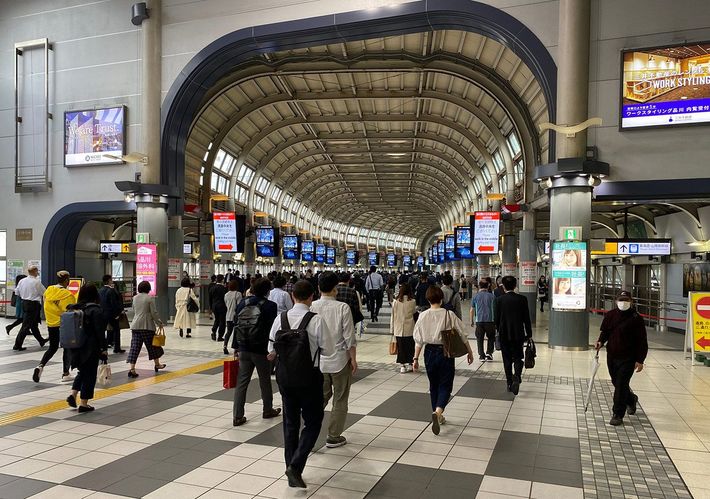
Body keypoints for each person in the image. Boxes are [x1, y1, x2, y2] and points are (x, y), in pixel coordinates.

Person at [268, 280, 334, 488]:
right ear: (311, 297)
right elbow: (329, 349)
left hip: (285, 377)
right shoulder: (316, 320)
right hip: (309, 377)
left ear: (292, 296)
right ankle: (295, 467)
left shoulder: (280, 319)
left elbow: (270, 349)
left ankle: (291, 468)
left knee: (290, 423)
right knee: (313, 422)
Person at [413, 285, 473, 435]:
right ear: (441, 299)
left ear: (428, 299)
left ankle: (437, 414)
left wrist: (415, 358)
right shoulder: (449, 314)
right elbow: (462, 333)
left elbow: (418, 340)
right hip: (445, 352)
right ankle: (438, 412)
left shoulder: (423, 315)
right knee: (445, 385)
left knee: (433, 385)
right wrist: (470, 352)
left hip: (429, 353)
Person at [310, 272, 357, 449]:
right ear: (335, 288)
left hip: (318, 362)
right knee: (340, 398)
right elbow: (349, 337)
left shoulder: (312, 306)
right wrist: (353, 359)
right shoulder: (342, 308)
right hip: (340, 360)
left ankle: (309, 433)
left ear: (318, 288)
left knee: (319, 398)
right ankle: (333, 436)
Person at [232, 278, 280, 426]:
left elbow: (236, 324)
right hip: (261, 349)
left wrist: (236, 346)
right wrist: (274, 349)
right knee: (264, 380)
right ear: (268, 291)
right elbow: (272, 329)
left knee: (242, 382)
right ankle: (267, 409)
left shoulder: (242, 303)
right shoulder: (270, 306)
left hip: (244, 348)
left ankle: (237, 416)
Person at [595, 291, 648, 426]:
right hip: (612, 355)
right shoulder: (610, 315)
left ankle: (617, 414)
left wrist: (640, 360)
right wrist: (600, 342)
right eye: (621, 299)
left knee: (621, 384)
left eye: (626, 300)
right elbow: (605, 332)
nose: (623, 302)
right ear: (616, 301)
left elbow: (642, 341)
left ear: (631, 302)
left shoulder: (636, 318)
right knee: (616, 382)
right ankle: (631, 399)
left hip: (628, 358)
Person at [65, 284, 108, 413]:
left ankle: (73, 395)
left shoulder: (75, 308)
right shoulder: (95, 310)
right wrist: (103, 348)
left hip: (75, 346)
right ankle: (84, 403)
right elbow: (100, 331)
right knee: (90, 374)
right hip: (90, 347)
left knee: (82, 371)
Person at [34, 270, 76, 383]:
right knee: (67, 348)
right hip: (63, 325)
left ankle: (40, 366)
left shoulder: (49, 290)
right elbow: (70, 312)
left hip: (51, 324)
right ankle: (66, 373)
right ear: (67, 280)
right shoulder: (67, 295)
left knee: (52, 348)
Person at [494, 276, 533, 395]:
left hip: (504, 334)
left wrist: (498, 330)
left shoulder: (499, 300)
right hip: (518, 333)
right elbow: (526, 318)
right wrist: (529, 334)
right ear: (515, 286)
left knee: (506, 359)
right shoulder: (522, 299)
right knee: (517, 356)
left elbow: (496, 319)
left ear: (503, 287)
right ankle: (517, 376)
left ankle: (509, 382)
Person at [127, 281, 166, 378]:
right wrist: (159, 323)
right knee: (153, 346)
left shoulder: (135, 298)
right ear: (148, 288)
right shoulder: (149, 298)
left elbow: (134, 310)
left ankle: (132, 369)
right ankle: (157, 364)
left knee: (135, 347)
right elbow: (154, 313)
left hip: (135, 325)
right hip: (147, 326)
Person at [13, 265, 47, 351]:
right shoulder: (36, 282)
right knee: (26, 326)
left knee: (33, 325)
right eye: (37, 271)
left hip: (25, 303)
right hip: (33, 305)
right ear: (35, 271)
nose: (38, 273)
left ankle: (41, 340)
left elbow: (17, 292)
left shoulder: (22, 281)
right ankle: (17, 345)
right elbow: (44, 292)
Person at [390, 282, 416, 373]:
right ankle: (410, 364)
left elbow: (393, 316)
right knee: (410, 347)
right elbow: (414, 312)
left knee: (401, 348)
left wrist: (392, 329)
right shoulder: (412, 301)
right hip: (410, 328)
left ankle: (402, 366)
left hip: (398, 328)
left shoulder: (396, 302)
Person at [99, 275, 125, 354]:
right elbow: (114, 303)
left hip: (102, 313)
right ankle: (117, 348)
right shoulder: (111, 290)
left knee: (102, 331)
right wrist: (117, 314)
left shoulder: (100, 290)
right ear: (109, 280)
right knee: (116, 330)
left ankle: (102, 348)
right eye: (111, 280)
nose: (112, 281)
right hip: (111, 314)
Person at [471, 280, 496, 362]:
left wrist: (472, 321)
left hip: (479, 321)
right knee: (491, 337)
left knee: (480, 338)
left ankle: (481, 355)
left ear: (479, 286)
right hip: (490, 320)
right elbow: (495, 309)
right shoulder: (492, 296)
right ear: (488, 286)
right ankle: (489, 353)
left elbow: (472, 310)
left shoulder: (475, 296)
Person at [222, 280, 243, 355]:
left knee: (228, 332)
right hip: (236, 316)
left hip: (228, 316)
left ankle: (225, 346)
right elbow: (239, 306)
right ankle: (236, 349)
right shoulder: (238, 294)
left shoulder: (226, 295)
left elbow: (226, 304)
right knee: (236, 333)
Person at [210, 275, 228, 341]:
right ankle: (220, 336)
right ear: (222, 280)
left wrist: (211, 307)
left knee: (217, 319)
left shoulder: (212, 288)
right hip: (222, 306)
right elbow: (226, 298)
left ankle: (213, 332)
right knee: (222, 321)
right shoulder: (224, 288)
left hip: (214, 306)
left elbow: (210, 299)